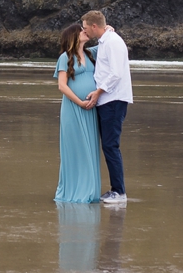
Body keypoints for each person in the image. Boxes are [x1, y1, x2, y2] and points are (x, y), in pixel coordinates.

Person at [81, 10, 132, 204]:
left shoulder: (112, 42)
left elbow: (116, 73)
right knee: (109, 145)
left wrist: (98, 92)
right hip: (108, 101)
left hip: (113, 100)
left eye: (86, 27)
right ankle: (117, 190)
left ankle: (119, 192)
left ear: (94, 26)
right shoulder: (105, 41)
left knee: (111, 145)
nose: (84, 31)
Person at [53, 23, 102, 203]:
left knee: (89, 148)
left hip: (90, 109)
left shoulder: (91, 54)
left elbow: (106, 41)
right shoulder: (65, 57)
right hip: (74, 109)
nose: (85, 32)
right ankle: (74, 191)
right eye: (81, 31)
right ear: (73, 36)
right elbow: (62, 86)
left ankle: (90, 189)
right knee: (76, 149)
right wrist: (80, 102)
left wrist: (108, 29)